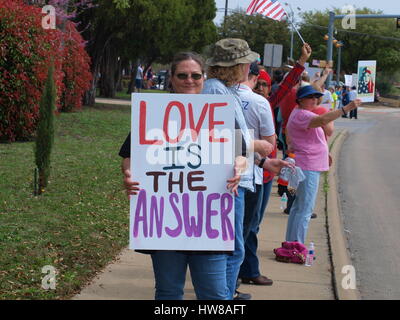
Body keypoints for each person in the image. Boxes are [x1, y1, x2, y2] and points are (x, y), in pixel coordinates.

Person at [119, 52, 245, 300]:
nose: (189, 80)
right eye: (182, 75)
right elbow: (130, 154)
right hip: (166, 224)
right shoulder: (153, 113)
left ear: (203, 77)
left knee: (215, 295)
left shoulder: (221, 113)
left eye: (195, 75)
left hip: (210, 224)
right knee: (168, 293)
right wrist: (128, 174)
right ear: (172, 79)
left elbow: (240, 153)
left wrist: (239, 168)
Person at [203, 38, 292, 300]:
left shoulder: (221, 90)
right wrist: (259, 147)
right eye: (247, 63)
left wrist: (263, 162)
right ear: (236, 65)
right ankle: (224, 297)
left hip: (235, 177)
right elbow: (215, 139)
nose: (249, 67)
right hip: (228, 182)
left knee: (234, 248)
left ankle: (225, 293)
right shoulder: (216, 91)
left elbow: (231, 140)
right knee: (232, 249)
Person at [285, 85, 362, 244]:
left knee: (299, 207)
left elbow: (308, 135)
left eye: (316, 97)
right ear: (300, 99)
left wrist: (324, 151)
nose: (314, 99)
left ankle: (292, 243)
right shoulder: (303, 114)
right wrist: (347, 108)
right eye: (310, 97)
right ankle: (296, 245)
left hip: (307, 162)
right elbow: (323, 120)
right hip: (308, 165)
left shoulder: (300, 113)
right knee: (305, 209)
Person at [236, 62, 276, 287]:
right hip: (251, 174)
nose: (262, 86)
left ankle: (242, 272)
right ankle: (242, 275)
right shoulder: (259, 102)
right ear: (252, 76)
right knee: (247, 228)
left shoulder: (222, 96)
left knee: (236, 229)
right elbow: (269, 145)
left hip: (226, 170)